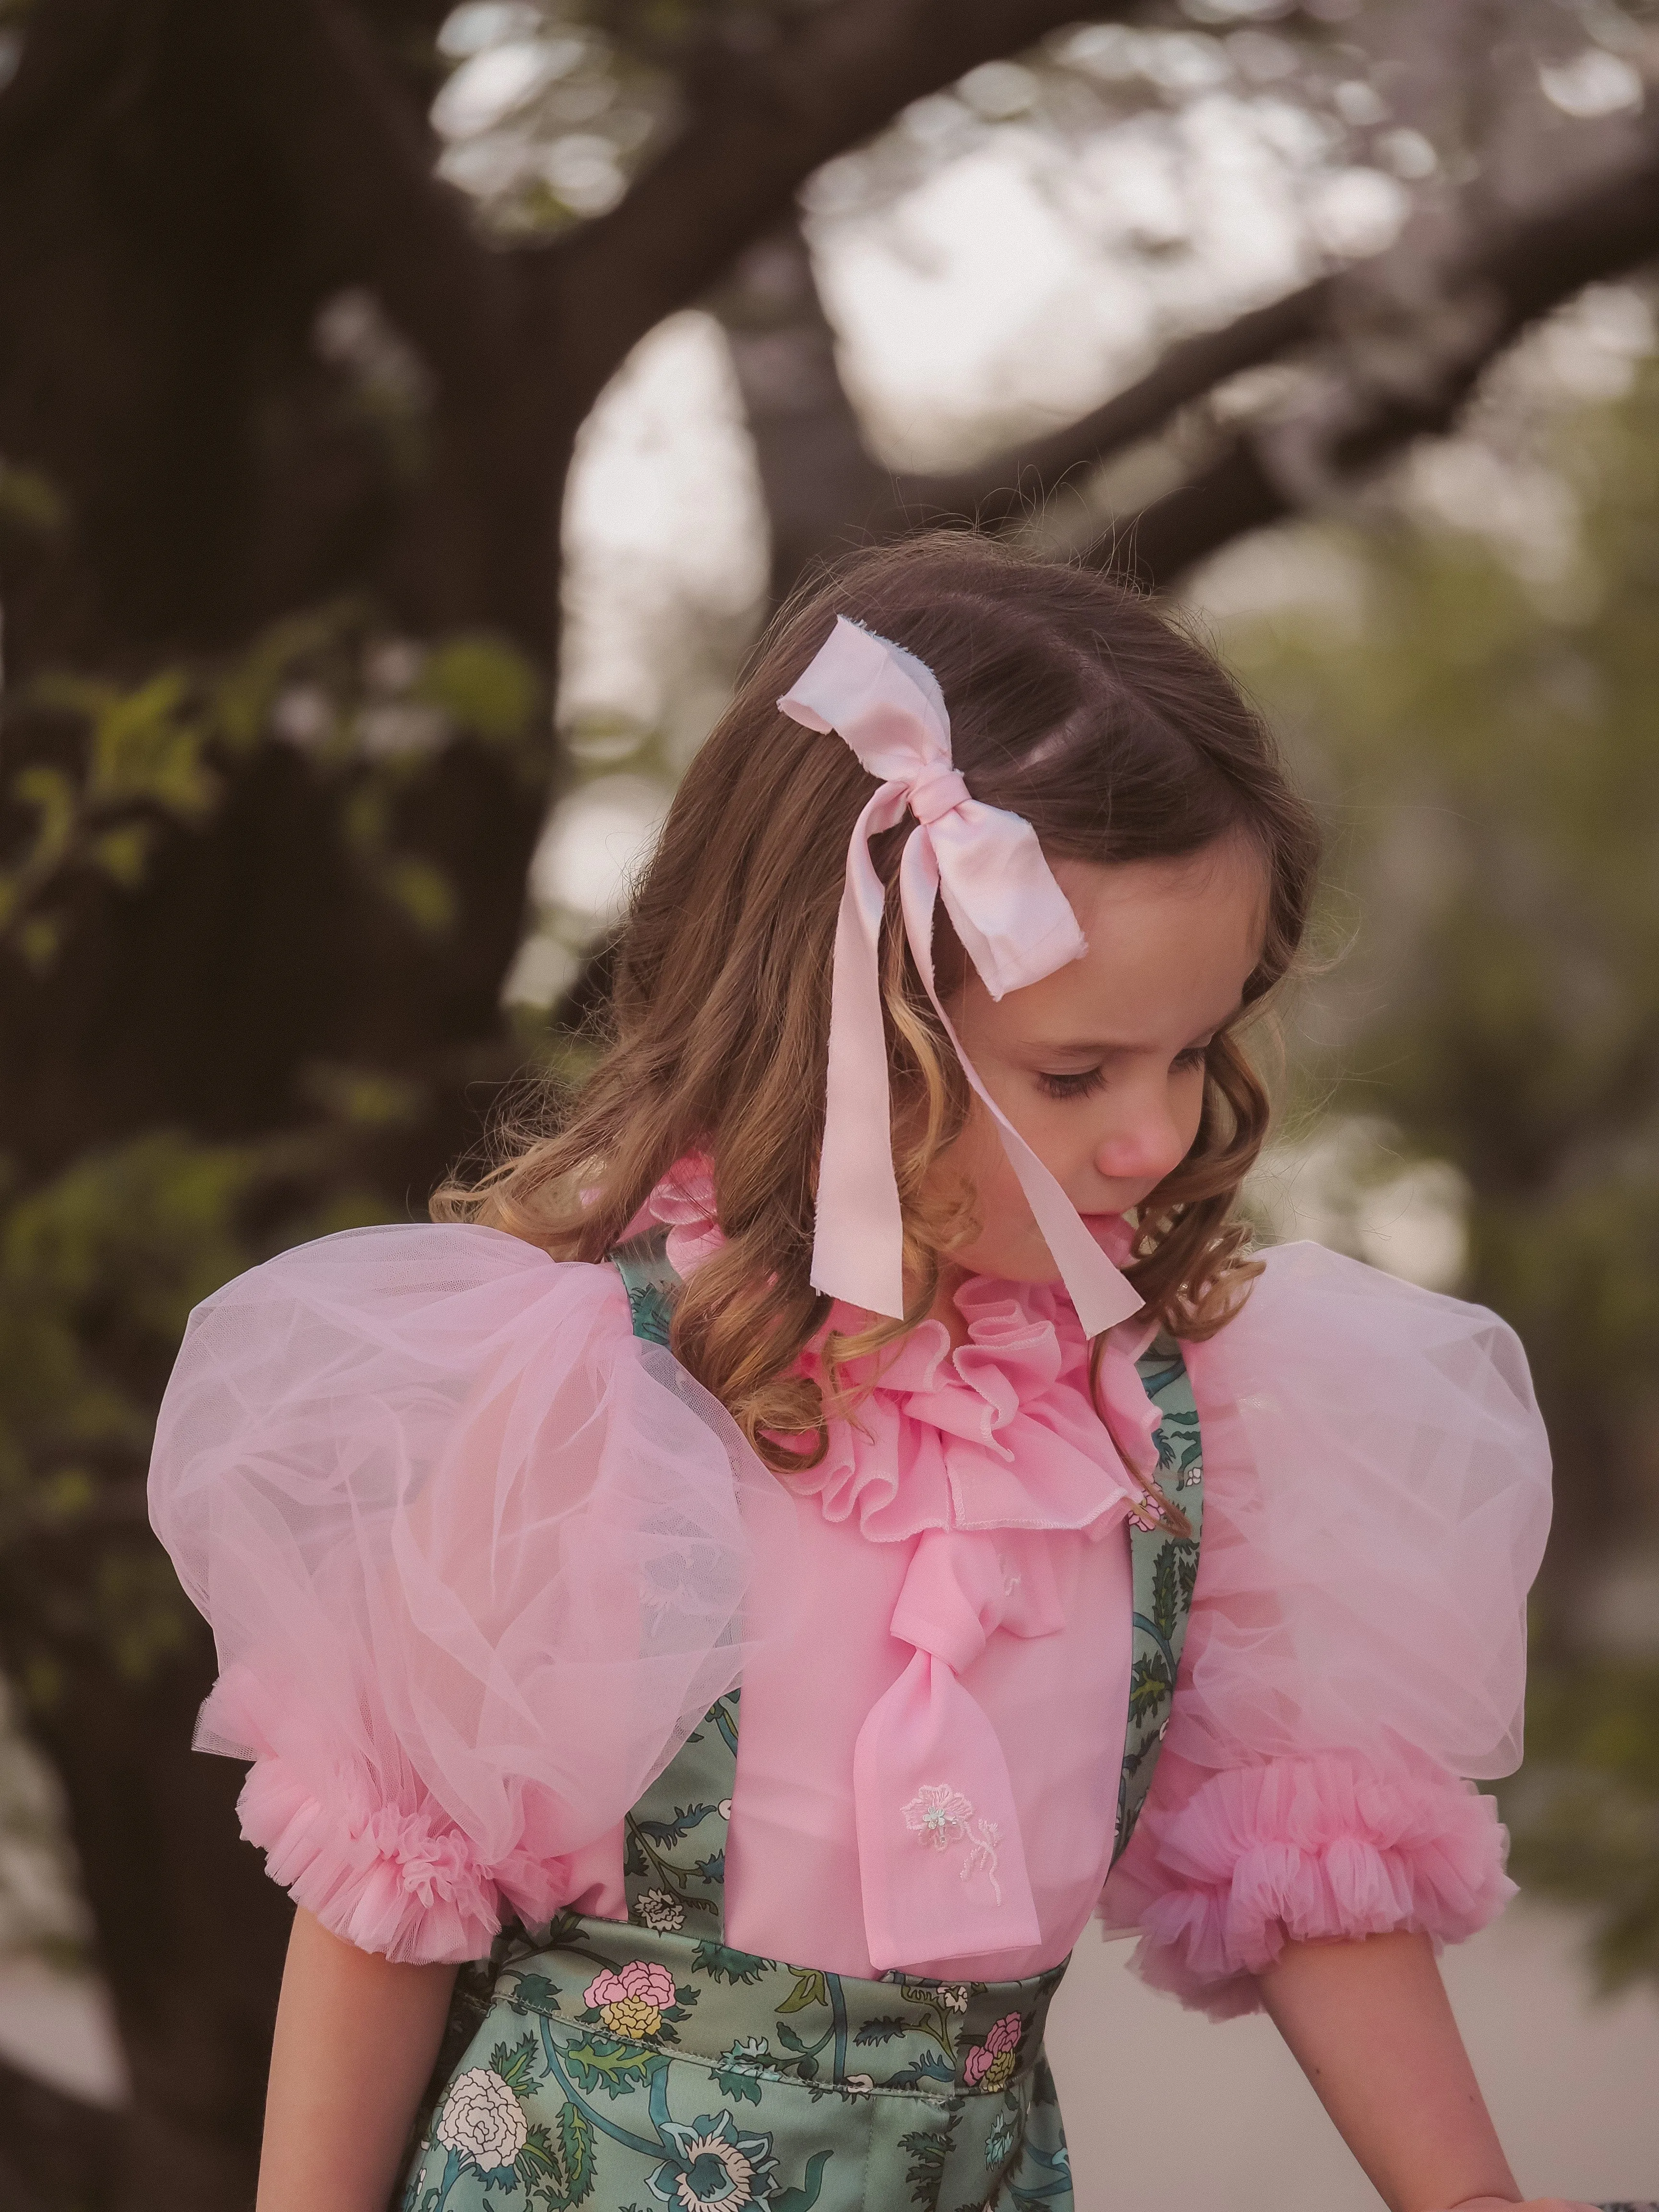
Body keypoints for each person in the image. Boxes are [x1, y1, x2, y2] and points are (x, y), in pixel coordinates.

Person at [149, 535, 1582, 2212]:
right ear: (842, 1031)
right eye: (1075, 1071)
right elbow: (394, 1901)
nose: (1156, 1134)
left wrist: (1470, 2198)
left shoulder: (1179, 1419)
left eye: (1193, 1052)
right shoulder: (595, 1394)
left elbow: (1309, 1864)